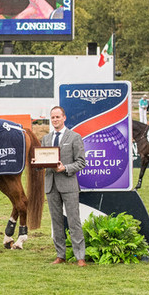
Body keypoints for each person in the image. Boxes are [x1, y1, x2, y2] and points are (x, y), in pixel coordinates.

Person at [43, 106, 87, 266]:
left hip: (69, 185)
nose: (55, 120)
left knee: (74, 221)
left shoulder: (75, 137)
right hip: (51, 186)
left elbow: (81, 162)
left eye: (57, 117)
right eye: (52, 117)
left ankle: (80, 257)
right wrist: (38, 164)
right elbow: (44, 160)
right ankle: (60, 255)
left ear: (64, 118)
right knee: (56, 222)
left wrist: (65, 168)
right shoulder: (46, 139)